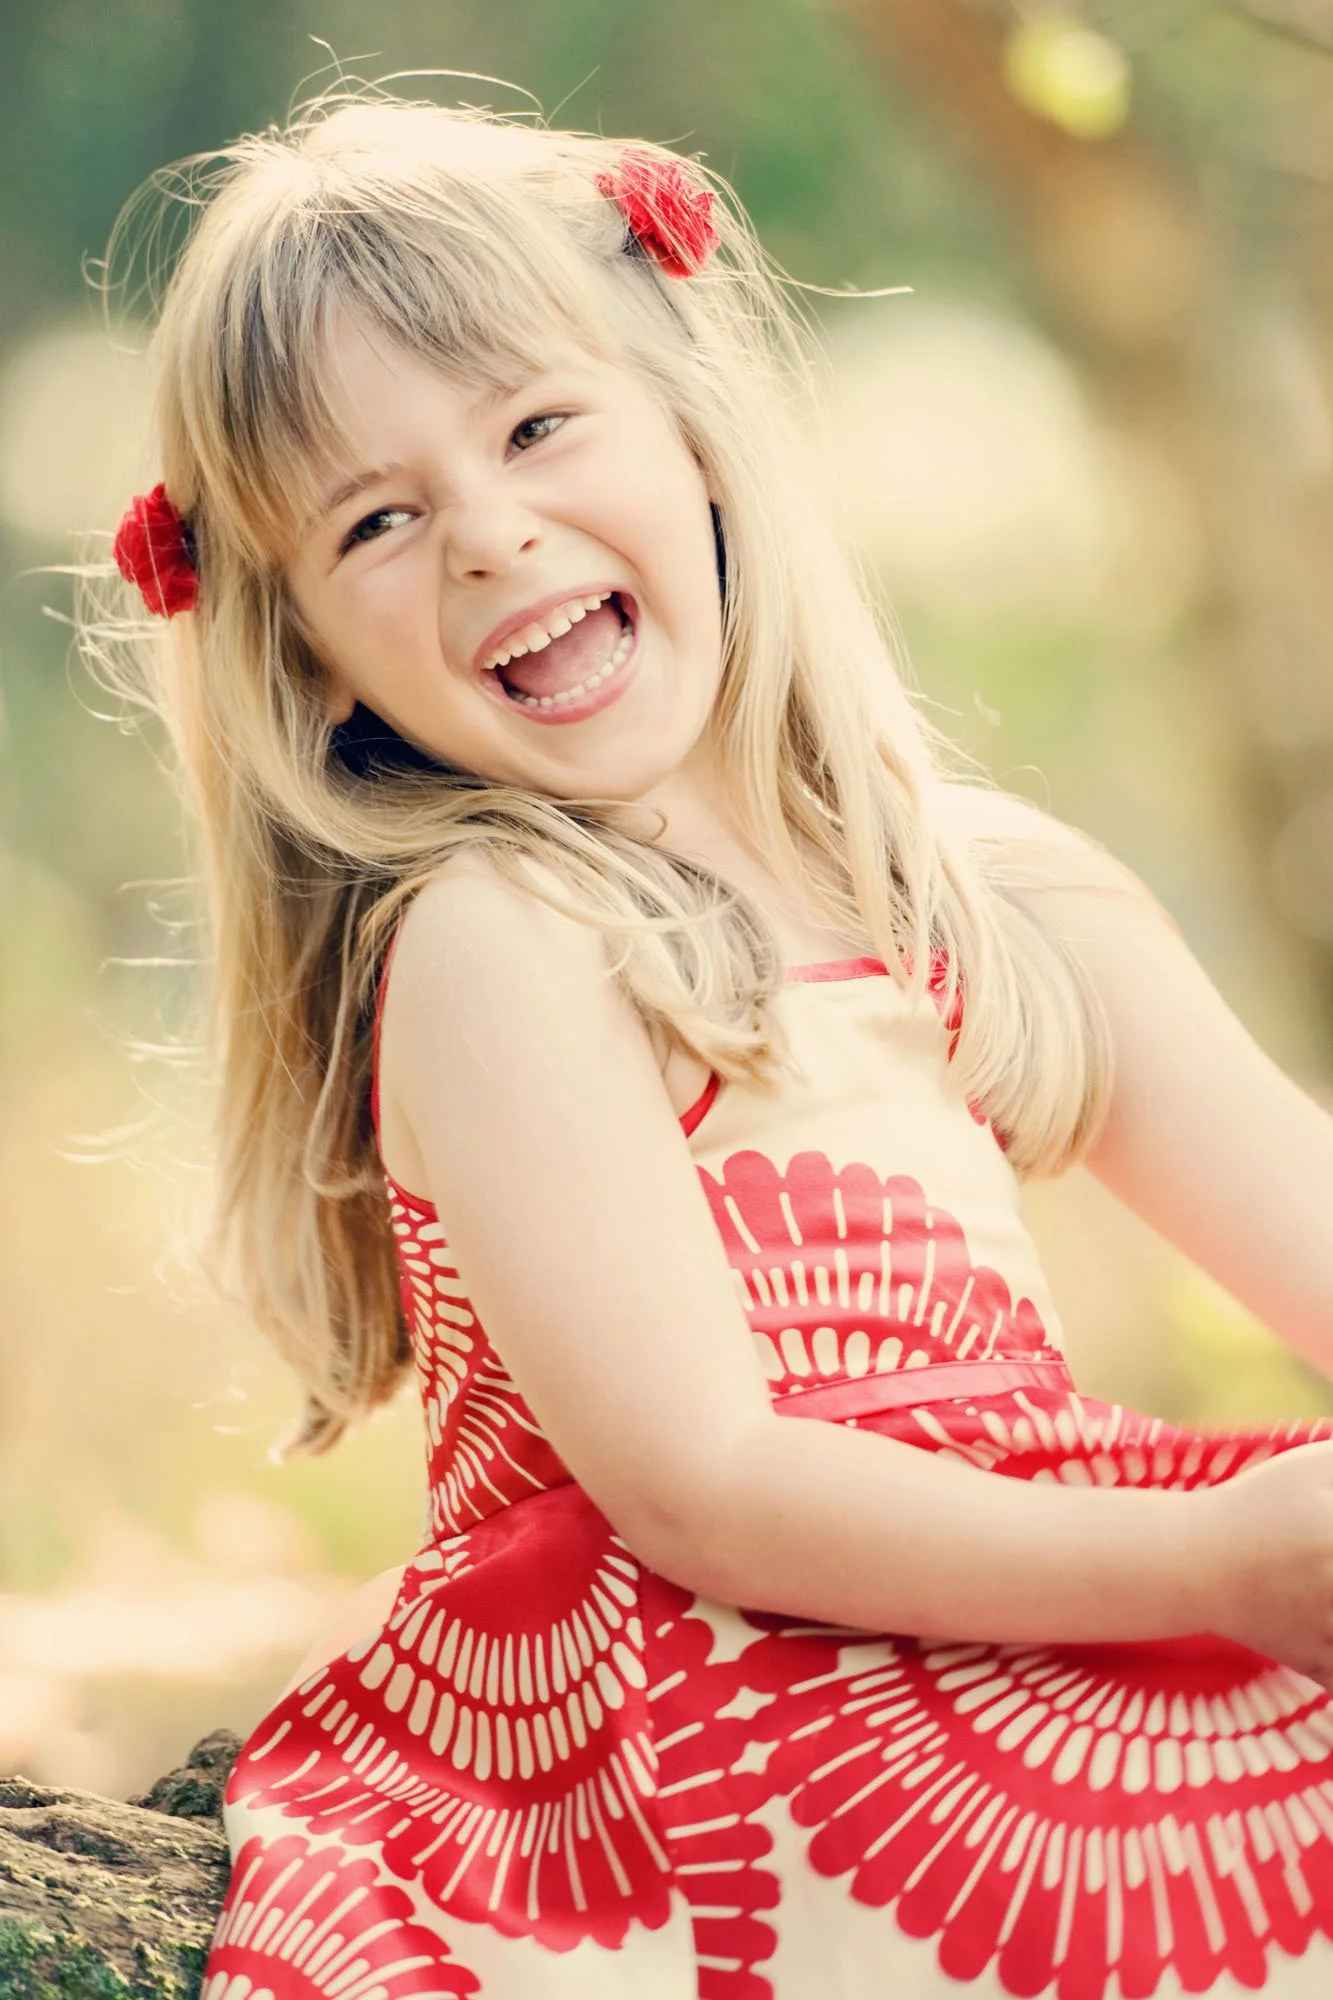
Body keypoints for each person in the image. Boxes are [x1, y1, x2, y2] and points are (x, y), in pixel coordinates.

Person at [95, 85, 1333, 2000]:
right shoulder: (507, 936)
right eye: (379, 520)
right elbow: (710, 1488)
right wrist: (1231, 1564)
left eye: (533, 426)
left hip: (1001, 1602)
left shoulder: (993, 896)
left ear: (693, 425)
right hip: (694, 1718)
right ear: (314, 650)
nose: (493, 536)